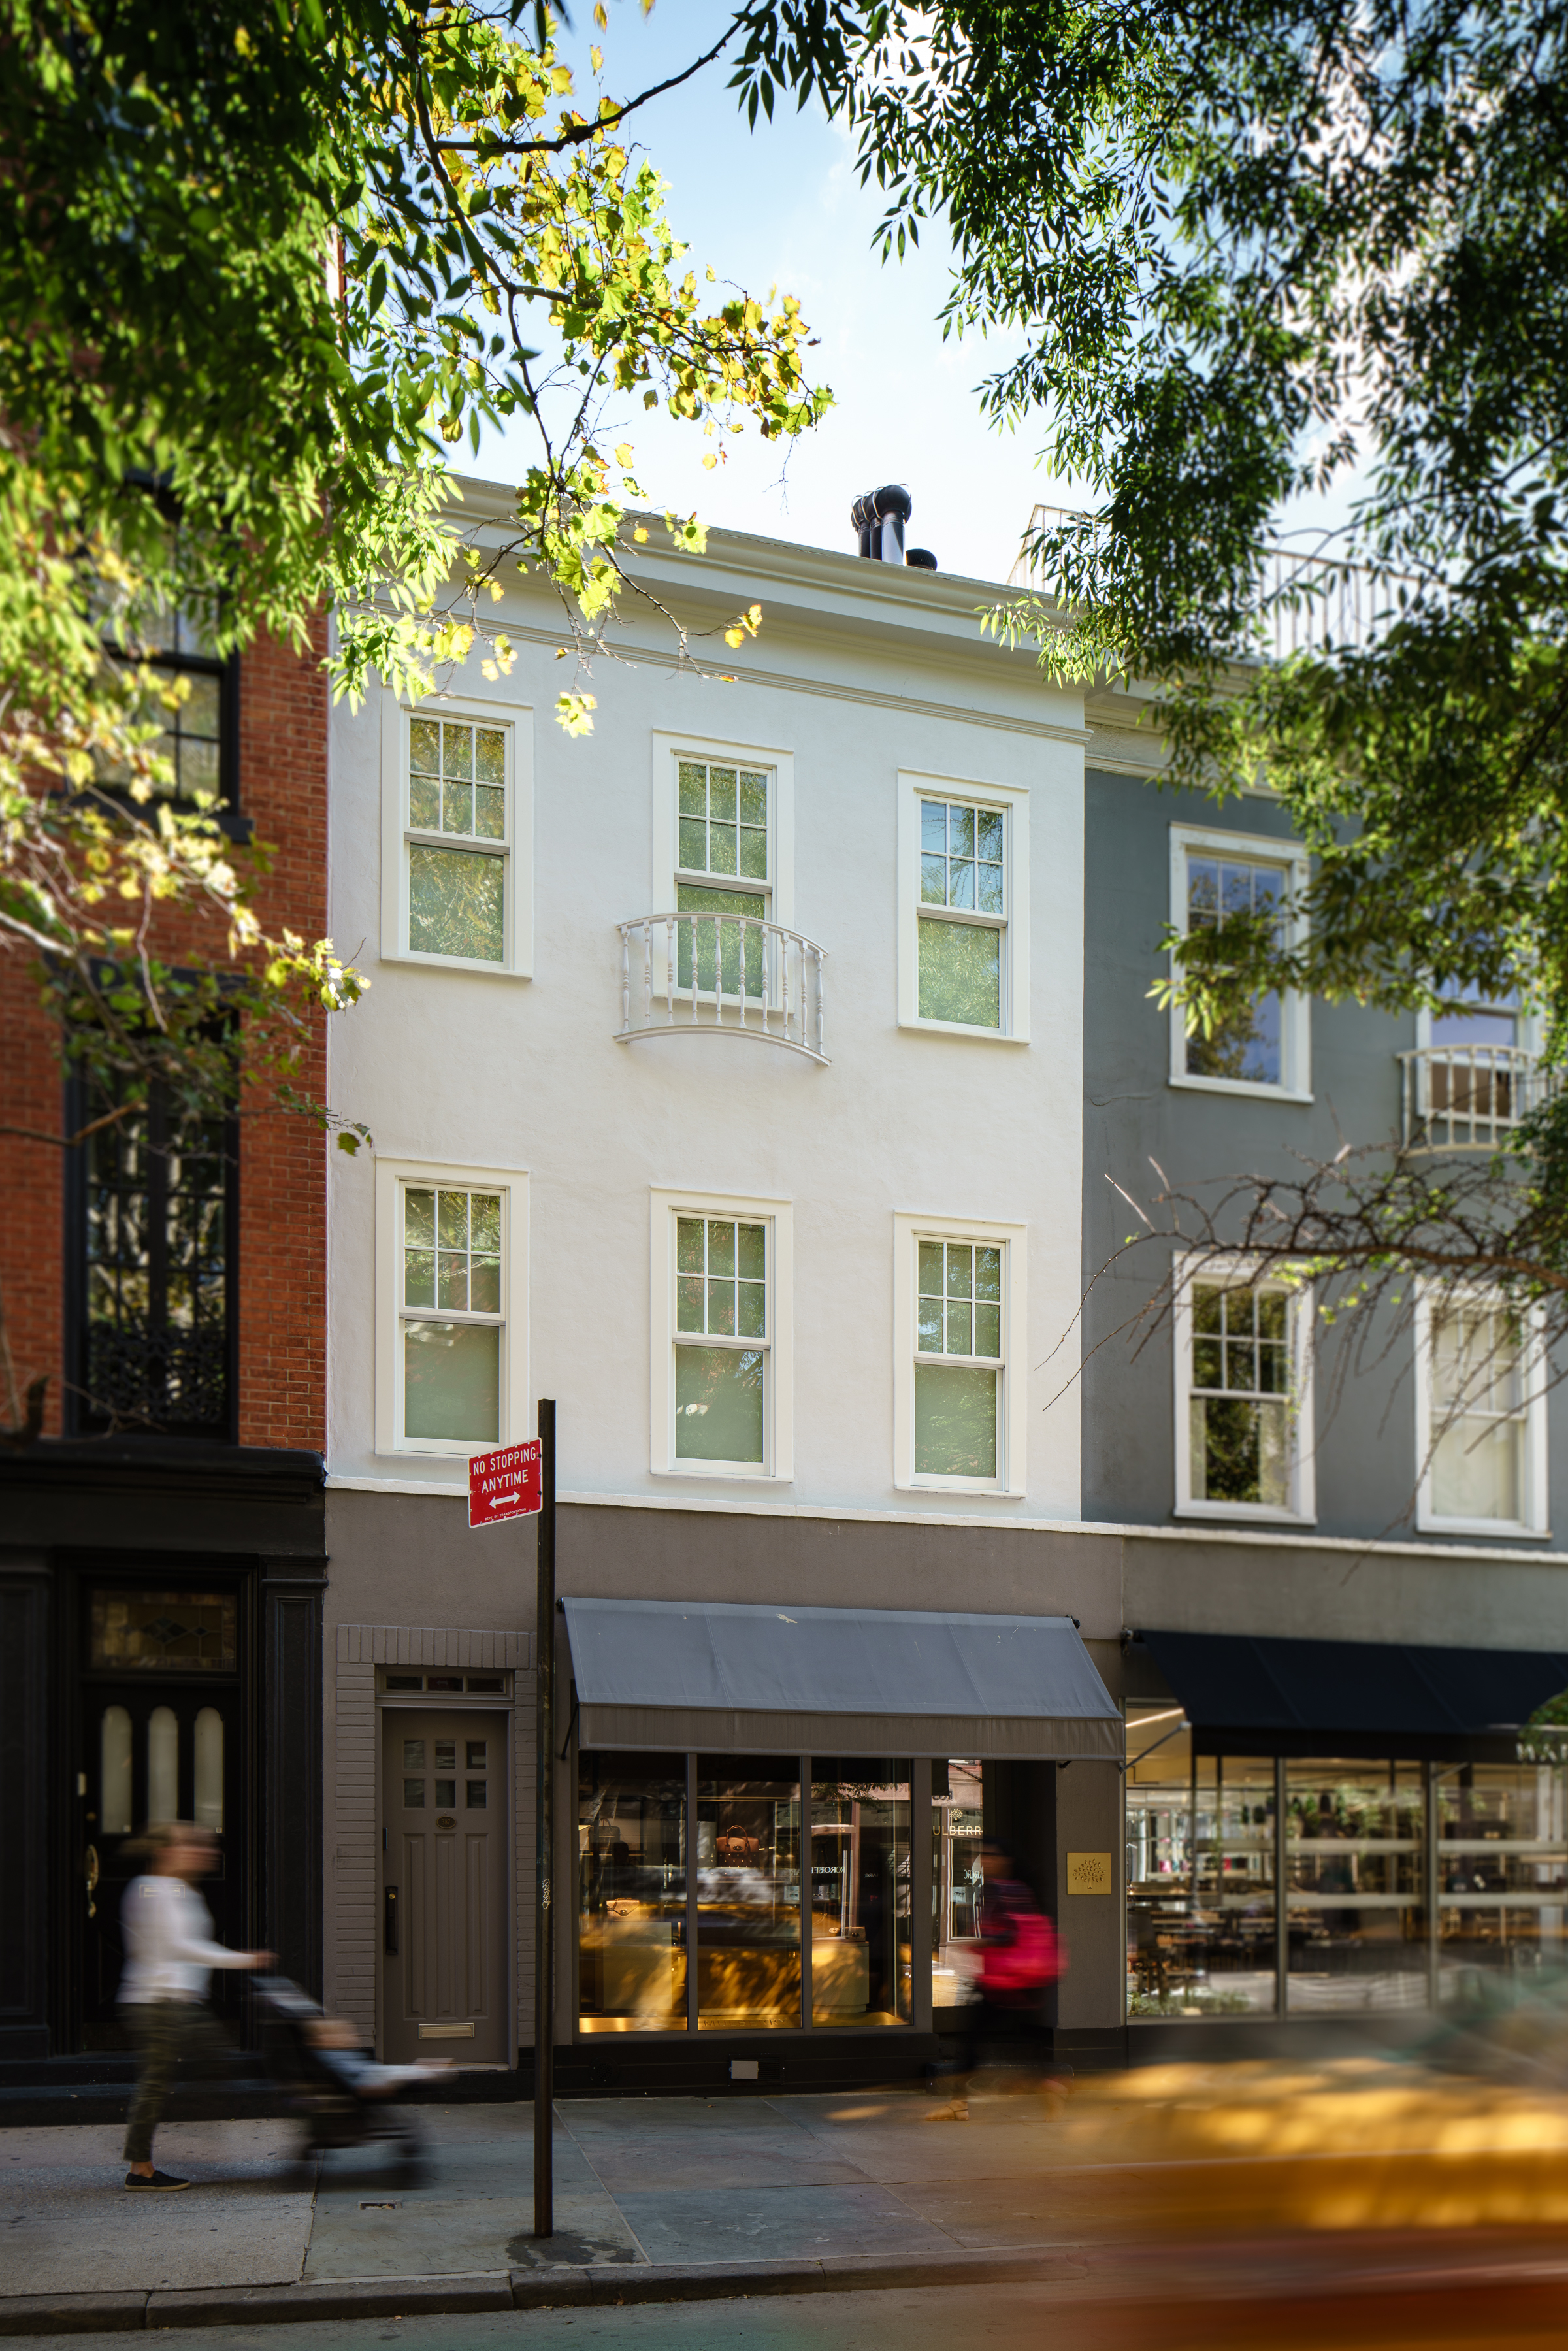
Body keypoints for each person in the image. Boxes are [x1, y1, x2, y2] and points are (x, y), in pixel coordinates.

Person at [118, 1821, 274, 2191]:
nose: (206, 1851)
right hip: (157, 2001)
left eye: (207, 1845)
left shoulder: (181, 1890)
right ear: (166, 1851)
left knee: (201, 2066)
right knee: (160, 2080)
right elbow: (178, 1946)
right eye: (193, 1845)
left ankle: (174, 2143)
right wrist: (242, 1959)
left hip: (178, 2001)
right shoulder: (150, 1890)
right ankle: (141, 2169)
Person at [926, 1841, 1064, 2120]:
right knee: (1004, 2040)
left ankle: (959, 2103)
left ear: (1006, 1860)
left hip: (1004, 1982)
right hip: (1018, 1981)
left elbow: (1011, 1933)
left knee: (973, 2040)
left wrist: (983, 1941)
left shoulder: (1002, 1889)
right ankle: (1050, 2085)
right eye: (981, 1856)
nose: (984, 1860)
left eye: (990, 1855)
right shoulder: (1019, 1889)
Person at [304, 2013, 451, 2097]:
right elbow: (345, 2075)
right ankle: (425, 2070)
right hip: (364, 2077)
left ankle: (422, 2069)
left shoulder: (338, 2054)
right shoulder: (328, 2056)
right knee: (395, 2073)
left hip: (367, 2073)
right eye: (336, 2036)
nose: (345, 2038)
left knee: (395, 2072)